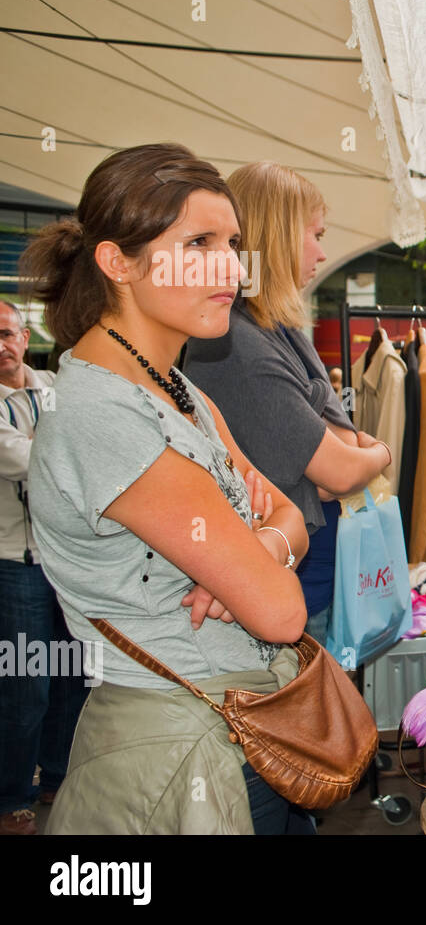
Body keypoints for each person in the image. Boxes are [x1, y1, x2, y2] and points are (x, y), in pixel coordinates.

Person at [22, 144, 314, 834]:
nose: (234, 269)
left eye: (233, 244)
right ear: (117, 262)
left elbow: (291, 513)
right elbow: (280, 614)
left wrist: (257, 545)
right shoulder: (105, 414)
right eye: (200, 242)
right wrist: (258, 554)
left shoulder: (177, 390)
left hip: (237, 731)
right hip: (180, 752)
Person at [183, 162, 391, 644]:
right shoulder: (238, 342)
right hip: (286, 579)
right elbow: (338, 472)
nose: (322, 251)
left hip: (307, 567)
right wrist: (379, 452)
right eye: (314, 234)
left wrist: (350, 453)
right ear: (278, 235)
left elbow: (333, 455)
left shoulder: (276, 331)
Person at [0, 300, 89, 835]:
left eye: (7, 333)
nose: (1, 346)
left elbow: (86, 445)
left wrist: (56, 447)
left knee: (75, 676)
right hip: (17, 566)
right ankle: (13, 794)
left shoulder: (54, 385)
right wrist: (60, 447)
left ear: (24, 334)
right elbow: (31, 460)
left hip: (69, 561)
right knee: (24, 686)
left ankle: (57, 775)